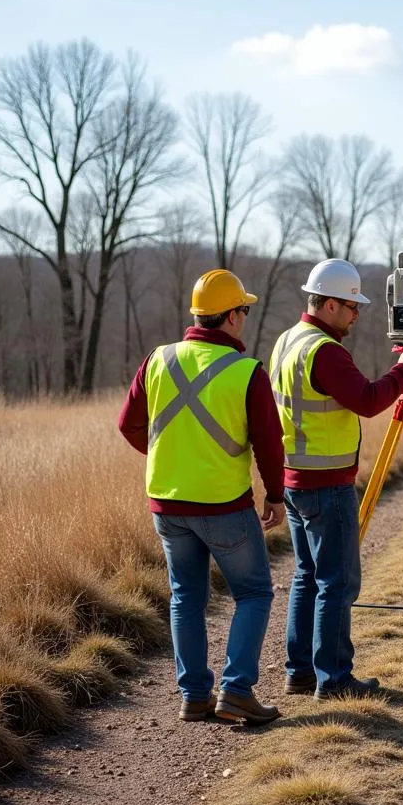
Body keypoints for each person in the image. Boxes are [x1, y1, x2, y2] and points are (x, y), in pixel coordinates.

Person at [118, 269, 286, 725]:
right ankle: (236, 691)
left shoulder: (158, 359)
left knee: (184, 598)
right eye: (244, 311)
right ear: (232, 316)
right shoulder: (246, 372)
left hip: (167, 505)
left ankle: (194, 696)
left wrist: (170, 457)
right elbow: (270, 443)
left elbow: (128, 425)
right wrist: (275, 494)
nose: (245, 319)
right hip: (223, 504)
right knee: (253, 593)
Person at [269, 258, 403, 700]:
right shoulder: (325, 351)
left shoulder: (287, 340)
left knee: (307, 576)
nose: (357, 314)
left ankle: (299, 672)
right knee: (337, 583)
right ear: (331, 305)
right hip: (325, 482)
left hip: (295, 478)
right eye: (353, 306)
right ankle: (334, 679)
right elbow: (368, 399)